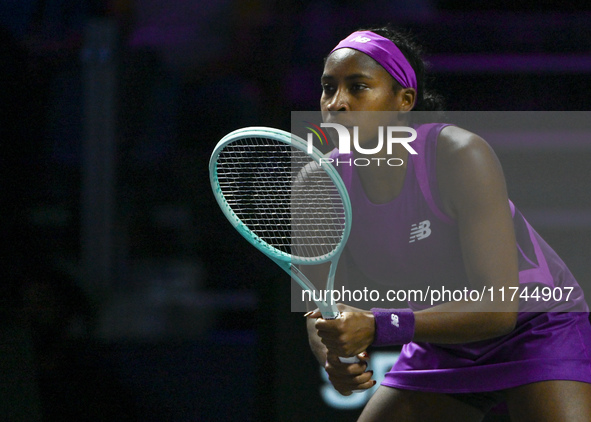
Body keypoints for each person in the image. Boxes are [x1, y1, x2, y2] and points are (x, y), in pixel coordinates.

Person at [304, 25, 591, 421]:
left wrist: (377, 326)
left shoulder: (458, 154)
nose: (336, 103)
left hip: (534, 328)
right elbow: (321, 309)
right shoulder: (319, 184)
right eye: (328, 87)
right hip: (440, 335)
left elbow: (498, 309)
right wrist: (332, 355)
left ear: (404, 100)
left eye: (357, 87)